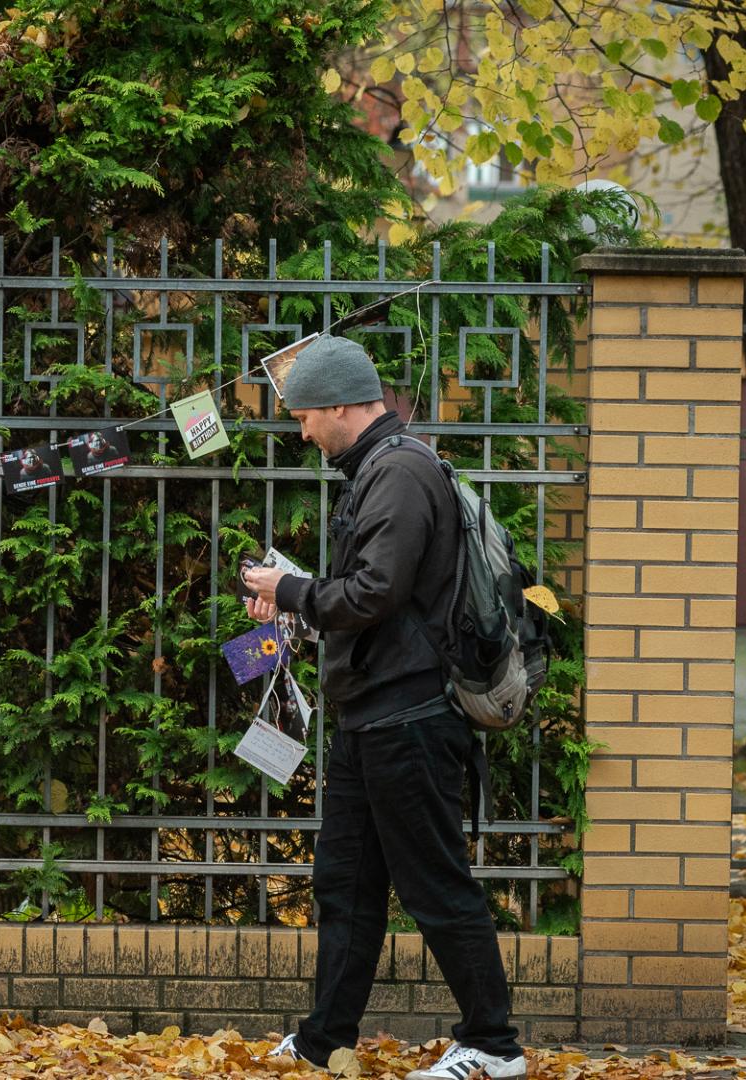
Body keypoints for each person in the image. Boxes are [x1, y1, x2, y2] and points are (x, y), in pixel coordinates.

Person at [240, 336, 526, 1080]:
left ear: (339, 405)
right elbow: (377, 599)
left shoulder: (398, 471)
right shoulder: (377, 469)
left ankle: (494, 1047)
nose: (303, 431)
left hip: (410, 720)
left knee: (434, 884)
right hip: (372, 718)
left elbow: (375, 592)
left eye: (304, 415)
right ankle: (323, 1041)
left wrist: (289, 590)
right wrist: (301, 599)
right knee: (347, 887)